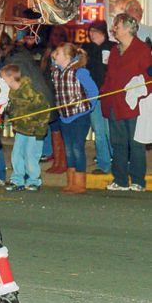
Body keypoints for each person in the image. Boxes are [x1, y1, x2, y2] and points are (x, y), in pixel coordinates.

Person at [101, 13, 152, 192]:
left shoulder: (143, 50)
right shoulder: (115, 50)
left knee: (136, 143)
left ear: (129, 29)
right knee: (118, 143)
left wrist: (136, 90)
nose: (114, 29)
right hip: (115, 102)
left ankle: (138, 181)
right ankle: (120, 180)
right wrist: (104, 93)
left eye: (118, 26)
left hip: (134, 104)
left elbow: (149, 77)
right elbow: (110, 75)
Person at [50, 43, 98, 194]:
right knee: (69, 150)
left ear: (67, 56)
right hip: (64, 117)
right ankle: (71, 182)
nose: (53, 55)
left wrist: (88, 107)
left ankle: (80, 184)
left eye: (57, 52)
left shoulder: (79, 72)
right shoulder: (56, 73)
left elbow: (93, 91)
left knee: (77, 148)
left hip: (79, 116)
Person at [0, 64, 50, 192]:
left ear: (11, 78)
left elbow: (44, 109)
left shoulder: (30, 92)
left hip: (34, 131)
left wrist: (40, 130)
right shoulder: (11, 93)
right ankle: (17, 180)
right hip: (20, 130)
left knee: (31, 156)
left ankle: (34, 180)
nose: (1, 81)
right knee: (16, 155)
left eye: (3, 78)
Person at [82, 19, 115, 175]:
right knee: (99, 132)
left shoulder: (111, 48)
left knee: (110, 132)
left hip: (108, 95)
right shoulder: (87, 48)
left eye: (95, 31)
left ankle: (117, 162)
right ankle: (104, 164)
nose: (92, 34)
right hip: (93, 97)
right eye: (91, 31)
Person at [40, 25, 69, 174]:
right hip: (50, 94)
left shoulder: (64, 53)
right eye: (55, 35)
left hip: (60, 95)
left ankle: (61, 162)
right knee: (54, 130)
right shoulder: (47, 52)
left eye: (60, 36)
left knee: (59, 130)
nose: (57, 38)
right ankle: (57, 161)